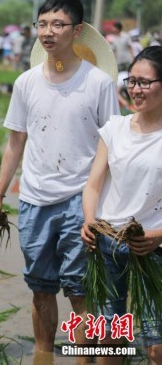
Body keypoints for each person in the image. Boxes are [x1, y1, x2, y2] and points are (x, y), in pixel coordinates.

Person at [0, 0, 120, 363]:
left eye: (58, 24)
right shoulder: (26, 82)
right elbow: (16, 142)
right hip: (33, 200)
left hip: (82, 201)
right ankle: (43, 355)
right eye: (42, 23)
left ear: (77, 31)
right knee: (40, 289)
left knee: (82, 291)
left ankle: (83, 359)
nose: (48, 31)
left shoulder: (98, 83)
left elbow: (113, 145)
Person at [82, 46, 162, 365]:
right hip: (108, 242)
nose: (136, 89)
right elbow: (93, 184)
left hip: (153, 247)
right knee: (110, 337)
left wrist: (158, 235)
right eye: (132, 81)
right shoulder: (114, 129)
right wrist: (89, 220)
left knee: (155, 344)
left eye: (145, 82)